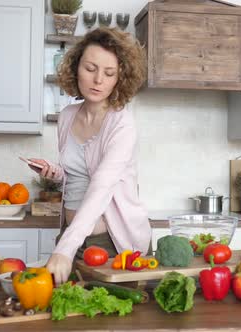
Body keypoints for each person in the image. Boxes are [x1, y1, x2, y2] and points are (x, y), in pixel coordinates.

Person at [29, 27, 150, 285]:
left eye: (109, 73)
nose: (98, 81)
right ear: (75, 68)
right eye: (90, 69)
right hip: (70, 233)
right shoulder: (67, 116)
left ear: (120, 78)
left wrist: (65, 249)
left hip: (109, 242)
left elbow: (102, 186)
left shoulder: (122, 124)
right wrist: (56, 173)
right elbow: (79, 174)